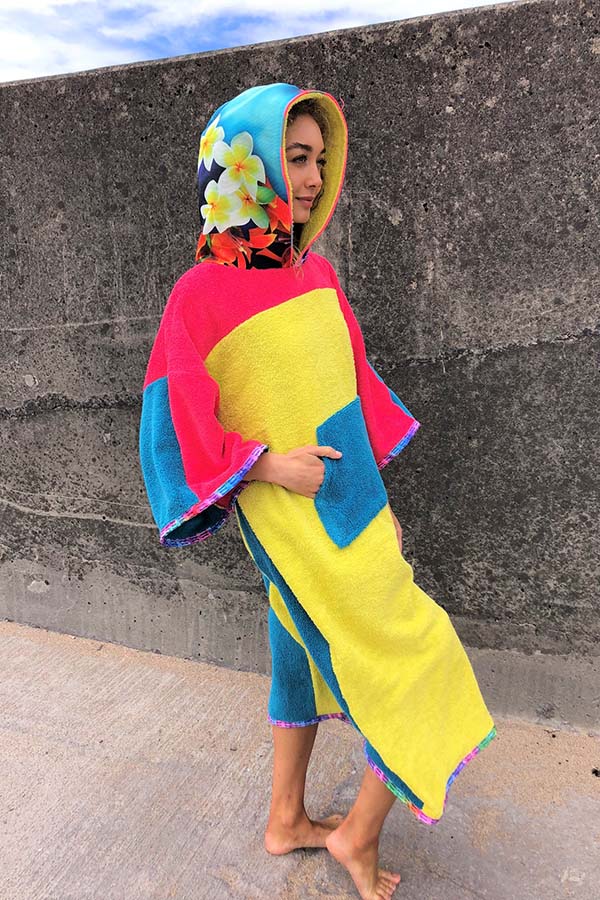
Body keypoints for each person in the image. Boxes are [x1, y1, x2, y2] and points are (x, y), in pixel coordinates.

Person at [139, 82, 496, 900]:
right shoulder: (198, 298)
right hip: (291, 519)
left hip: (355, 511)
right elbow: (172, 423)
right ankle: (357, 839)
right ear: (245, 165)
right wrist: (267, 466)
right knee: (424, 656)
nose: (309, 177)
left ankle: (286, 819)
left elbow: (351, 395)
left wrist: (383, 503)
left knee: (294, 658)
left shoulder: (318, 275)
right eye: (294, 157)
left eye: (318, 160)